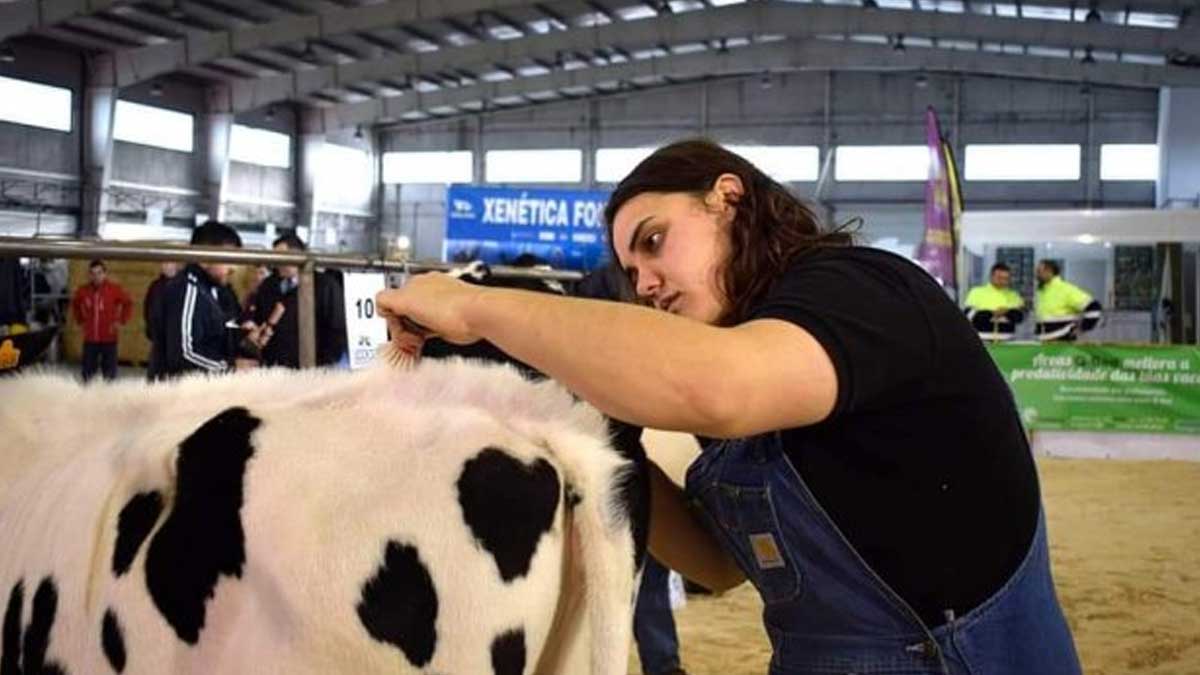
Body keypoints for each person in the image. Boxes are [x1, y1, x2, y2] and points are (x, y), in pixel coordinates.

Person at [375, 139, 1081, 675]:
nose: (646, 282)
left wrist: (476, 305)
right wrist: (595, 436)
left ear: (727, 196)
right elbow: (719, 563)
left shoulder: (860, 289)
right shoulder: (746, 364)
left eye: (654, 242)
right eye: (631, 273)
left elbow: (716, 387)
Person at [153, 222, 249, 377]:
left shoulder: (215, 290)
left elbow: (214, 337)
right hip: (179, 394)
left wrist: (243, 338)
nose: (233, 268)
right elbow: (183, 355)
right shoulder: (186, 289)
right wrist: (230, 367)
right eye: (227, 259)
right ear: (203, 258)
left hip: (201, 389)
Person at [245, 232, 346, 368]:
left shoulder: (325, 285)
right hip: (273, 366)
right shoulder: (268, 285)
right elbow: (259, 319)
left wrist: (324, 364)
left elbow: (336, 328)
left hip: (311, 368)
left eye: (280, 257)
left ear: (298, 256)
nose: (276, 263)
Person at [71, 259, 133, 382]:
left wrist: (121, 321)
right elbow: (75, 305)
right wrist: (80, 321)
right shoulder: (83, 291)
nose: (96, 276)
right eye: (93, 273)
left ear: (105, 274)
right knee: (87, 375)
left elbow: (128, 303)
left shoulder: (114, 289)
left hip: (109, 339)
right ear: (89, 275)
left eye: (99, 273)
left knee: (109, 375)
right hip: (90, 340)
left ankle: (108, 398)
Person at [1034, 259, 1103, 342]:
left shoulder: (1064, 289)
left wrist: (1083, 328)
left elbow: (1094, 307)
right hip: (1045, 341)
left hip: (1062, 342)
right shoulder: (1043, 291)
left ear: (1049, 271)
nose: (1036, 275)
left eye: (1039, 271)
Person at [962, 262, 1026, 341]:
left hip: (1008, 340)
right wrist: (992, 313)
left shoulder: (1014, 295)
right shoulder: (976, 292)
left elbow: (1020, 317)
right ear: (991, 276)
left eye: (1006, 278)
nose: (1002, 281)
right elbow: (968, 315)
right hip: (982, 339)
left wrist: (1006, 312)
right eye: (999, 278)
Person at [143, 261, 178, 380]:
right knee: (154, 375)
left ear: (176, 265)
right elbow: (148, 308)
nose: (167, 266)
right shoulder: (155, 286)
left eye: (170, 263)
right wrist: (150, 329)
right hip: (158, 338)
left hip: (176, 341)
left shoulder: (182, 286)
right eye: (164, 264)